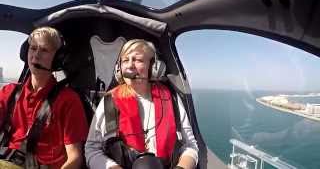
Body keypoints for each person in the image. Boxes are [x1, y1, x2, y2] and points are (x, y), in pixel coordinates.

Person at [85, 39, 198, 169]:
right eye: (125, 60)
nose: (129, 66)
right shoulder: (110, 102)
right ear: (118, 68)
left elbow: (190, 145)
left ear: (154, 67)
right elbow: (92, 149)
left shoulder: (171, 98)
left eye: (138, 60)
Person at [0, 26, 89, 168]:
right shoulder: (8, 92)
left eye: (44, 50)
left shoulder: (68, 100)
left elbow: (75, 157)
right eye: (33, 48)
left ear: (58, 59)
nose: (35, 55)